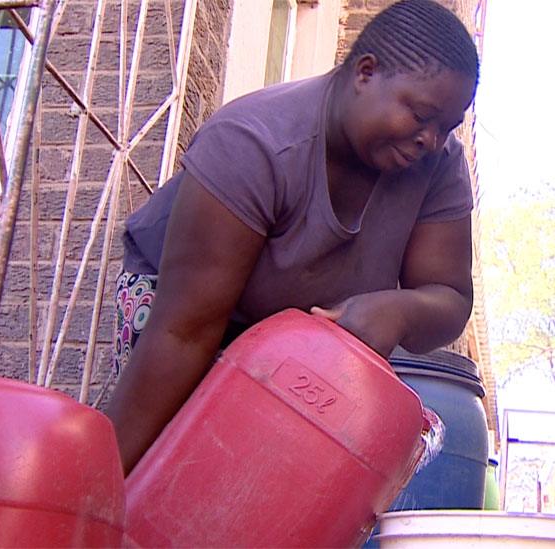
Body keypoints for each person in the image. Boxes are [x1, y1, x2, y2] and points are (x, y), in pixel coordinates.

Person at [105, 0, 481, 474]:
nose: (432, 140)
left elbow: (449, 296)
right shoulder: (253, 143)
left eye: (447, 127)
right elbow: (182, 334)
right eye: (421, 116)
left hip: (297, 339)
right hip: (179, 317)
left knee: (260, 481)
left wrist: (399, 311)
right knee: (171, 466)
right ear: (366, 73)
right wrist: (102, 483)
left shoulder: (438, 167)